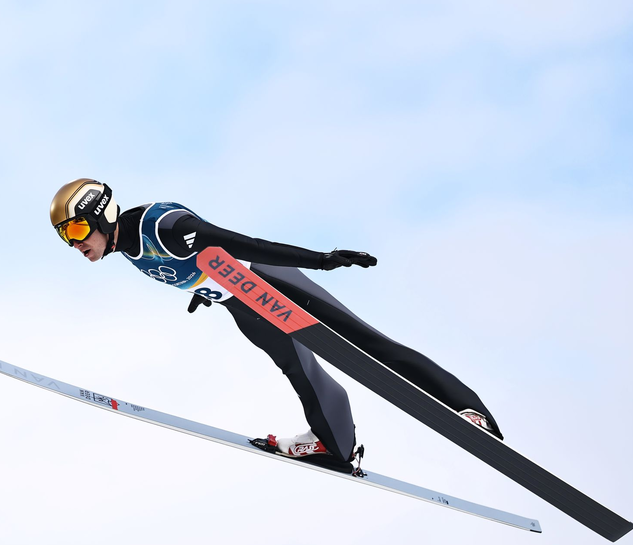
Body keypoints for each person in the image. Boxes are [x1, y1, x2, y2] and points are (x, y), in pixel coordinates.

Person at [50, 178, 503, 471]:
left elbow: (245, 245)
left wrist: (322, 261)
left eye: (76, 231)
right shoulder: (126, 247)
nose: (74, 245)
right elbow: (194, 267)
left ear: (100, 216)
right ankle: (335, 445)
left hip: (269, 282)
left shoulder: (164, 227)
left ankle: (467, 408)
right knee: (300, 372)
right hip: (241, 305)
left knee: (367, 343)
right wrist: (201, 293)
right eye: (65, 237)